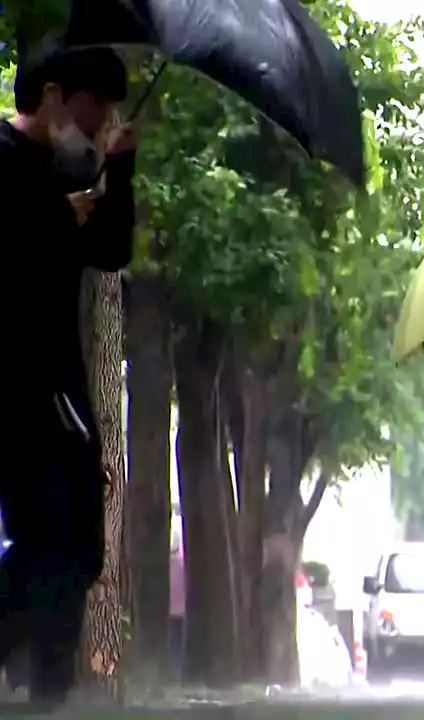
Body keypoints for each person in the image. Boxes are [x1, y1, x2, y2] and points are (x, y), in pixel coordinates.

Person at [0, 46, 138, 705]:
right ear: (53, 96)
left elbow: (109, 251)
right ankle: (47, 684)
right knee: (63, 540)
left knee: (66, 545)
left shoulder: (51, 177)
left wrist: (121, 170)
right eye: (94, 111)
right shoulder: (9, 166)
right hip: (28, 386)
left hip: (53, 382)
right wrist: (60, 220)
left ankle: (50, 688)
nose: (99, 124)